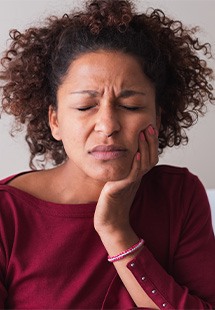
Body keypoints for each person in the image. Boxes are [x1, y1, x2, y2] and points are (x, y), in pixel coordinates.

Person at [0, 0, 215, 308]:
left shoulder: (179, 195)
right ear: (55, 120)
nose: (108, 126)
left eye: (131, 106)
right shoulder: (7, 214)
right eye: (86, 107)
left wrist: (115, 229)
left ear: (158, 116)